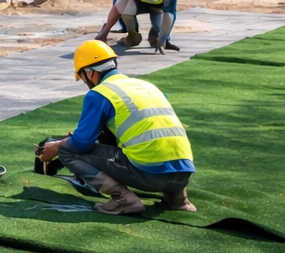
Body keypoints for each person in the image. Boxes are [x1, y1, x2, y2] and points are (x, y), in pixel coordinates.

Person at [35, 41, 195, 214]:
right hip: (183, 175)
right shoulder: (147, 86)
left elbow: (81, 144)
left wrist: (57, 146)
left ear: (90, 73)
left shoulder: (99, 94)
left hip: (150, 176)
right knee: (157, 145)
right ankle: (179, 200)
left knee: (67, 151)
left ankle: (123, 199)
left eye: (82, 77)